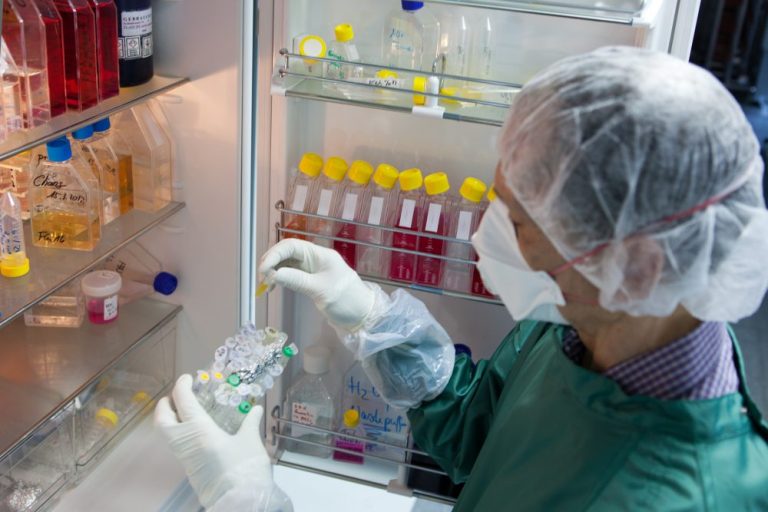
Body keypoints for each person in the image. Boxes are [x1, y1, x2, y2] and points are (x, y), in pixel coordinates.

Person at [155, 46, 768, 511]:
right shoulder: (594, 326)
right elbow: (487, 425)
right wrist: (370, 315)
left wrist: (248, 500)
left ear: (632, 265)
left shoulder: (666, 496)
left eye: (521, 223)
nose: (483, 238)